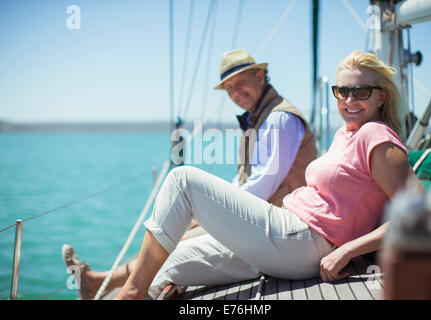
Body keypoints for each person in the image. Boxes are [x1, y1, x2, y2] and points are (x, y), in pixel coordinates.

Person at [112, 50, 424, 299]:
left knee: (182, 182)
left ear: (382, 96)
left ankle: (132, 292)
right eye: (342, 91)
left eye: (362, 91)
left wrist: (347, 250)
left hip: (300, 238)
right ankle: (136, 291)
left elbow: (417, 215)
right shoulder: (348, 134)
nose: (350, 100)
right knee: (169, 263)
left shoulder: (375, 136)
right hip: (285, 240)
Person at [62, 49, 317, 299]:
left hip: (280, 226)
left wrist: (217, 209)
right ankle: (98, 282)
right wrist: (211, 210)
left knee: (175, 238)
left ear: (260, 77)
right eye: (229, 89)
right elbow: (249, 180)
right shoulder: (263, 117)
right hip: (264, 217)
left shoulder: (280, 118)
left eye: (241, 83)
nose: (236, 93)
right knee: (176, 232)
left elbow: (265, 183)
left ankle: (107, 285)